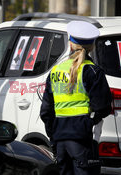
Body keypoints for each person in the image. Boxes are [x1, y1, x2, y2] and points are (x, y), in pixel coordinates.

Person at [40, 21, 112, 175]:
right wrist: (88, 123)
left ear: (70, 44)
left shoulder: (55, 71)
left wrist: (54, 136)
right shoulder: (92, 71)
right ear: (92, 46)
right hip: (82, 139)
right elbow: (103, 107)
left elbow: (46, 111)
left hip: (60, 140)